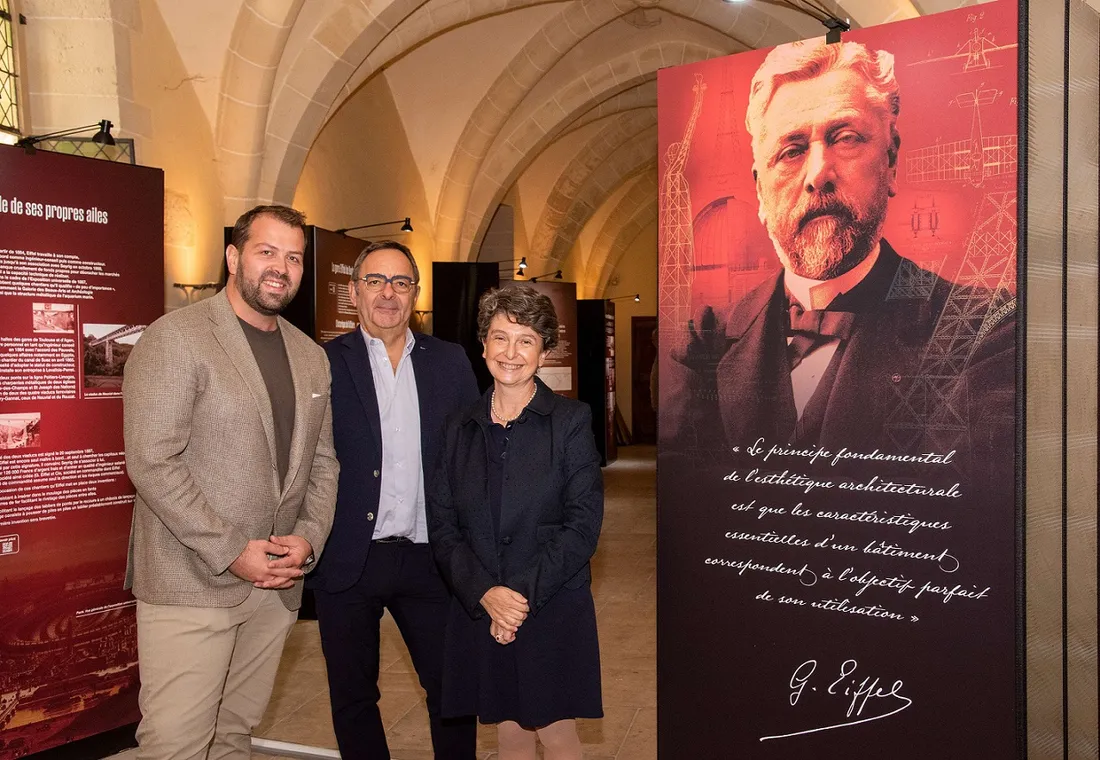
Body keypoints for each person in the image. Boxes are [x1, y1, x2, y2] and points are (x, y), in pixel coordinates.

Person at [662, 39, 1014, 476]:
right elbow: (694, 509)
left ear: (890, 162)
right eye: (791, 151)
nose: (817, 176)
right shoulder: (703, 342)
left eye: (845, 138)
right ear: (759, 190)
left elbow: (964, 514)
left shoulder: (983, 330)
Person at [123, 204, 339, 760]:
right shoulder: (177, 338)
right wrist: (230, 550)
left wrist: (309, 537)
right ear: (233, 256)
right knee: (175, 745)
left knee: (233, 739)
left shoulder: (311, 357)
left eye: (293, 257)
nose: (281, 268)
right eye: (267, 252)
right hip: (190, 583)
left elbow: (322, 462)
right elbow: (151, 461)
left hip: (275, 590)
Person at [308, 240, 480, 759]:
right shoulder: (322, 362)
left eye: (401, 283)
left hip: (431, 558)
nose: (388, 293)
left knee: (452, 691)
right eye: (376, 281)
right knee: (353, 696)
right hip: (349, 557)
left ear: (416, 295)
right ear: (354, 292)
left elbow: (473, 457)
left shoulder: (449, 362)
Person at [428, 285, 603, 760]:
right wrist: (485, 593)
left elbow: (582, 526)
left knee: (556, 731)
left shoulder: (570, 421)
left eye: (526, 340)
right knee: (509, 729)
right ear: (482, 344)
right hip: (481, 603)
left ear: (544, 351)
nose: (511, 352)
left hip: (548, 602)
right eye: (500, 337)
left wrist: (516, 601)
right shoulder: (457, 427)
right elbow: (442, 526)